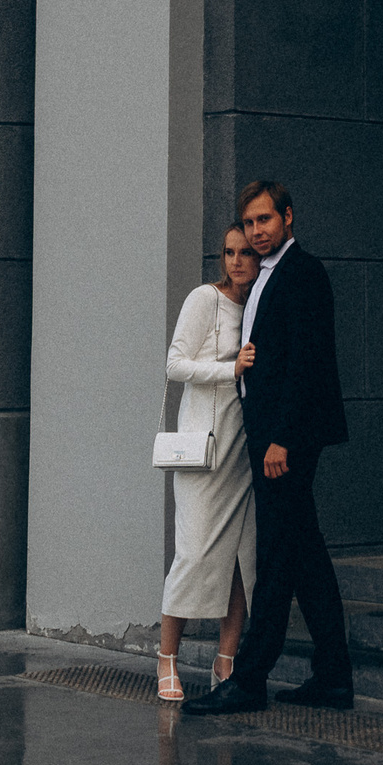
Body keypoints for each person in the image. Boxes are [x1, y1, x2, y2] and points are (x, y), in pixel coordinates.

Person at [183, 179, 352, 713]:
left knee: (277, 555)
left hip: (287, 440)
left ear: (288, 218)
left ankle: (250, 677)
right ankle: (333, 676)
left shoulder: (302, 273)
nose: (257, 232)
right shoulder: (265, 277)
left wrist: (281, 438)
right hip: (271, 435)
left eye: (265, 221)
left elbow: (307, 363)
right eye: (250, 223)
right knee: (304, 555)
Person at [155, 226, 261, 702]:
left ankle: (226, 660)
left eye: (245, 253)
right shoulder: (205, 298)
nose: (236, 261)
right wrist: (229, 368)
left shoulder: (256, 305)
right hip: (203, 450)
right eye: (228, 252)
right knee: (194, 553)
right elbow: (175, 364)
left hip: (242, 448)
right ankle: (166, 659)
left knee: (239, 558)